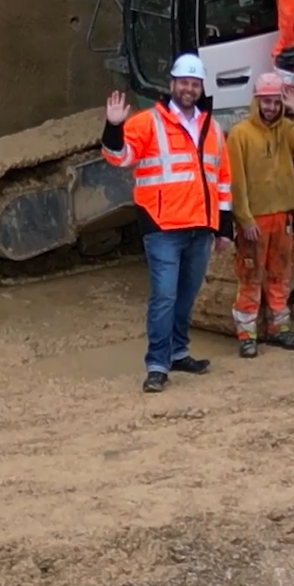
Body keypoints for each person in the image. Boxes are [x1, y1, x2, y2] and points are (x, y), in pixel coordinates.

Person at [102, 54, 233, 393]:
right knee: (164, 297)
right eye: (183, 82)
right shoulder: (148, 122)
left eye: (194, 83)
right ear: (172, 84)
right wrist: (114, 126)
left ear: (200, 87)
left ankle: (178, 352)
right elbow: (119, 157)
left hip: (200, 227)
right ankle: (157, 364)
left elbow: (222, 179)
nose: (189, 88)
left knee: (186, 296)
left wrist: (224, 227)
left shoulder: (212, 128)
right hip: (162, 226)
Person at [226, 72, 294, 357]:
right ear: (256, 101)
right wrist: (244, 218)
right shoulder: (240, 134)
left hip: (283, 217)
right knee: (251, 276)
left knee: (280, 274)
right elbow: (235, 181)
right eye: (265, 102)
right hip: (254, 220)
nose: (270, 107)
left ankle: (279, 328)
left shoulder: (287, 129)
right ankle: (247, 334)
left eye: (275, 102)